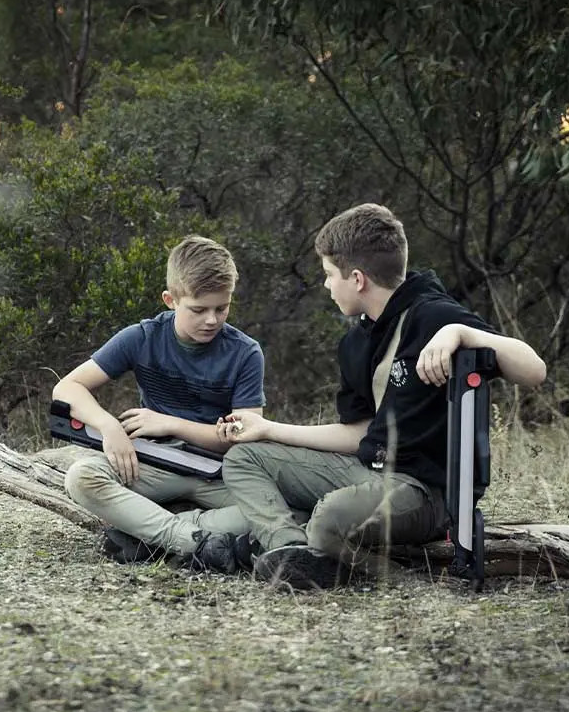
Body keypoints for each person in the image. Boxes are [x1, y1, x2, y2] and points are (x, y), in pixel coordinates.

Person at [216, 203, 546, 588]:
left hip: (423, 493)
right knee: (244, 457)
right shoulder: (357, 340)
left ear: (357, 279)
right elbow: (357, 432)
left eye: (328, 275)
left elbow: (534, 370)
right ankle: (292, 551)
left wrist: (462, 333)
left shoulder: (433, 315)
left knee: (329, 519)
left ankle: (402, 583)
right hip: (365, 470)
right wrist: (267, 428)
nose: (325, 285)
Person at [55, 235, 265, 574]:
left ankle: (151, 534)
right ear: (171, 299)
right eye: (198, 309)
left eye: (221, 308)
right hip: (156, 463)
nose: (212, 320)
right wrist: (109, 427)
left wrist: (170, 423)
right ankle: (193, 540)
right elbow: (67, 388)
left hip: (220, 472)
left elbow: (244, 434)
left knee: (289, 512)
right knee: (83, 477)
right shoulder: (142, 337)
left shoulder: (245, 352)